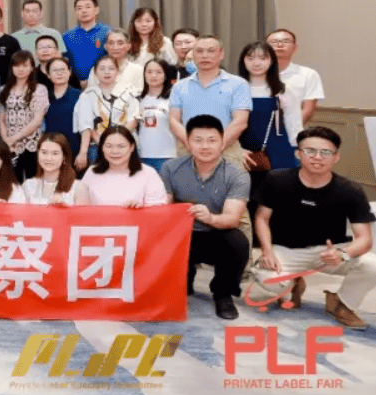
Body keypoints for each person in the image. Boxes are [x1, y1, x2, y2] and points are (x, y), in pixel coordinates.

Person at [253, 126, 375, 328]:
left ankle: (341, 303)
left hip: (330, 252)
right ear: (298, 154)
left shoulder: (350, 190)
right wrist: (267, 251)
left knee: (372, 265)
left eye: (325, 152)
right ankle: (294, 284)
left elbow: (365, 238)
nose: (317, 157)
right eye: (310, 151)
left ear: (336, 157)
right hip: (287, 250)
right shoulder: (276, 180)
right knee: (266, 281)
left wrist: (343, 254)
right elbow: (261, 218)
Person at [159, 115, 251, 320]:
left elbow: (232, 218)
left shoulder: (237, 175)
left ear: (222, 142)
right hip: (182, 235)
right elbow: (164, 209)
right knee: (159, 239)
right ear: (187, 142)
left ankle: (223, 293)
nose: (205, 146)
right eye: (198, 140)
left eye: (212, 140)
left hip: (216, 234)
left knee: (237, 242)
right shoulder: (170, 168)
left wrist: (210, 218)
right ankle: (184, 280)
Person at [169, 35, 251, 167]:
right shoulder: (179, 86)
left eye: (211, 51)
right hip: (188, 152)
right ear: (193, 54)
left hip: (227, 151)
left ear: (221, 53)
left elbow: (240, 122)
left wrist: (215, 147)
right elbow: (174, 121)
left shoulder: (238, 84)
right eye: (199, 51)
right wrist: (194, 146)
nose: (204, 55)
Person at [239, 42, 303, 179]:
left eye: (263, 58)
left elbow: (294, 124)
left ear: (272, 61)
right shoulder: (235, 89)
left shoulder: (284, 90)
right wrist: (236, 150)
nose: (256, 63)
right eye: (250, 58)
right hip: (243, 150)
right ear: (243, 61)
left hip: (279, 149)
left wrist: (298, 151)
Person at [74, 55, 141, 170]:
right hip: (98, 146)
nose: (107, 72)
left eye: (111, 68)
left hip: (125, 144)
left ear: (117, 71)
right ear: (95, 72)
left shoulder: (129, 91)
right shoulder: (88, 95)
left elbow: (134, 120)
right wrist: (84, 151)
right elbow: (86, 126)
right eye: (102, 69)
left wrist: (117, 140)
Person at [83, 126, 168, 207]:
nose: (114, 151)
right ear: (102, 148)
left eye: (121, 146)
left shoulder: (148, 174)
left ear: (132, 147)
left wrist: (140, 209)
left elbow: (158, 210)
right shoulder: (92, 172)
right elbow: (82, 209)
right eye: (109, 146)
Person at [0, 51, 49, 181]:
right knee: (13, 183)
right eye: (17, 65)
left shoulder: (39, 89)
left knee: (33, 183)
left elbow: (37, 121)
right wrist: (6, 141)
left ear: (32, 68)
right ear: (12, 67)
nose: (21, 69)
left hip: (32, 144)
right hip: (10, 146)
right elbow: (1, 119)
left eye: (25, 65)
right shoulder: (3, 90)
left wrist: (14, 138)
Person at [267, 29, 325, 125]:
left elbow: (309, 108)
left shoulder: (308, 74)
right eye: (274, 42)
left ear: (295, 47)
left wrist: (291, 129)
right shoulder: (254, 74)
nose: (280, 45)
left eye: (286, 41)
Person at [22, 134, 90, 206]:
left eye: (55, 153)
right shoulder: (28, 185)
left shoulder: (78, 188)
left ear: (64, 157)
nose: (49, 158)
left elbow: (84, 213)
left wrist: (65, 209)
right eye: (44, 152)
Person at [136, 59, 178, 173]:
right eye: (149, 72)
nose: (153, 76)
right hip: (142, 155)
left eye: (159, 72)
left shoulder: (173, 98)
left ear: (165, 75)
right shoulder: (137, 98)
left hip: (166, 155)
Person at [62, 0, 111, 84]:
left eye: (88, 7)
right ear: (75, 12)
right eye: (79, 8)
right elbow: (64, 62)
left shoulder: (108, 32)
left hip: (102, 82)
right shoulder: (67, 36)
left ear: (96, 10)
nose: (83, 11)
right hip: (75, 84)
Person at [44, 56, 82, 156]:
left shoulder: (79, 96)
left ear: (69, 72)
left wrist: (83, 152)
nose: (59, 73)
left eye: (63, 70)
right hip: (50, 151)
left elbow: (86, 128)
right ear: (48, 75)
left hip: (74, 150)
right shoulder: (44, 97)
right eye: (55, 70)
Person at [101, 29, 143, 97]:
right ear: (105, 47)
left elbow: (140, 98)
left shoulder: (138, 70)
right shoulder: (97, 70)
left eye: (120, 43)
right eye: (111, 43)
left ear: (128, 46)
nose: (115, 47)